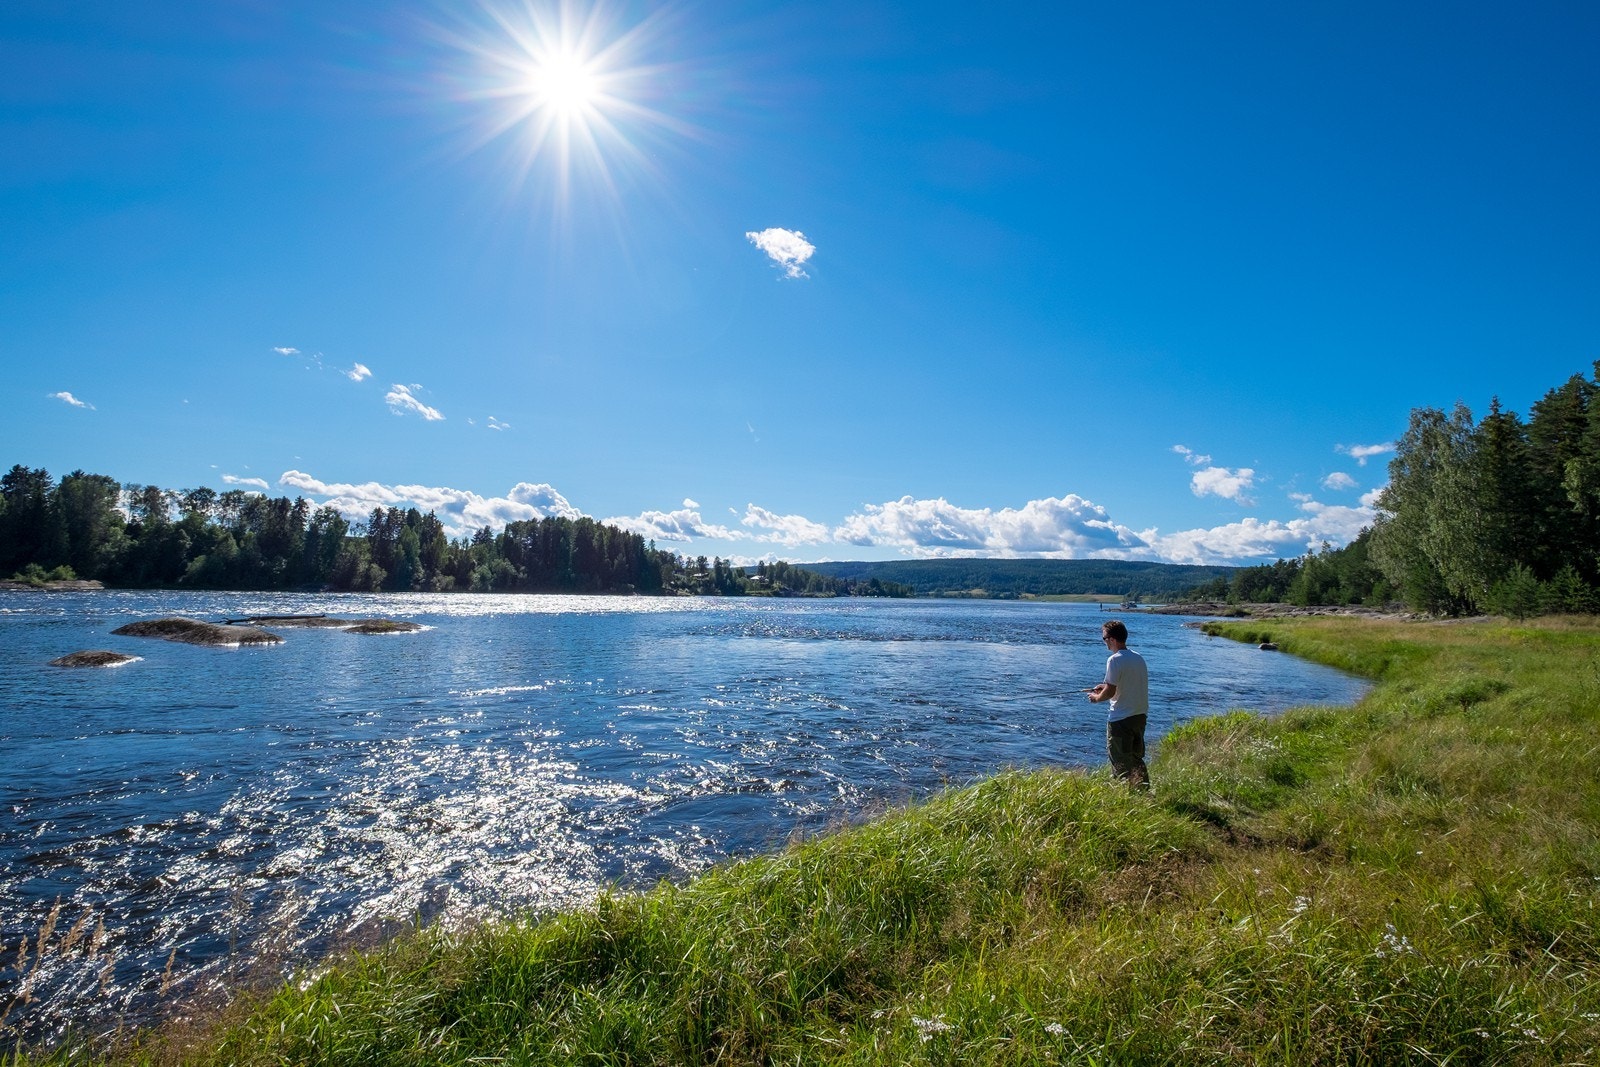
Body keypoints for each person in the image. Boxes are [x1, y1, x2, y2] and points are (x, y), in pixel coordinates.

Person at [1085, 619, 1149, 789]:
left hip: (1121, 719)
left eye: (1104, 638)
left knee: (1119, 760)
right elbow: (1126, 684)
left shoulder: (1114, 660)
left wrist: (1096, 698)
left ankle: (1125, 796)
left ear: (1112, 639)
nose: (1104, 641)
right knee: (1136, 758)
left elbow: (1111, 692)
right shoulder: (1138, 658)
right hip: (1140, 716)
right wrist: (1104, 686)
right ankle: (1144, 791)